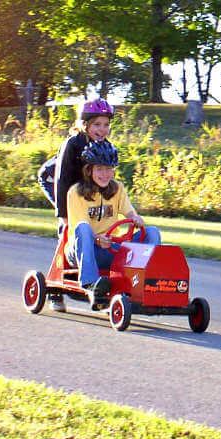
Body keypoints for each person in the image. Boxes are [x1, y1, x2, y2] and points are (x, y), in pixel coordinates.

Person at [57, 140, 161, 312]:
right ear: (89, 170)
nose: (105, 174)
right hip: (81, 251)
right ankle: (91, 284)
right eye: (99, 169)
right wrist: (97, 240)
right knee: (83, 228)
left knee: (152, 232)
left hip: (110, 249)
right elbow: (78, 228)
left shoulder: (117, 188)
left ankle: (147, 282)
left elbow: (130, 212)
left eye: (109, 169)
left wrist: (136, 218)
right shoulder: (75, 192)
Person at [48, 98, 115, 235]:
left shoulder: (105, 144)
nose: (102, 129)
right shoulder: (72, 144)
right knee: (70, 228)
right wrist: (64, 215)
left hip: (80, 187)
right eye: (97, 124)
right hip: (53, 179)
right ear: (85, 124)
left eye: (106, 125)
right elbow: (62, 180)